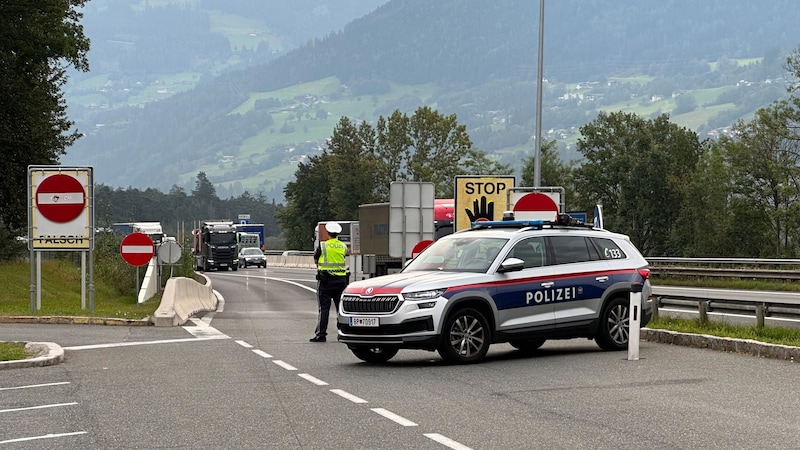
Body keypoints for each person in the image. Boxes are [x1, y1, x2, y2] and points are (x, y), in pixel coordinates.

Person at [310, 221, 350, 342]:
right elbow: (343, 257)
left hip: (326, 281)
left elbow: (316, 259)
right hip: (341, 281)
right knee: (340, 309)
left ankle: (321, 334)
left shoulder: (323, 246)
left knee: (324, 309)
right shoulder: (343, 246)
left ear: (327, 233)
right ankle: (341, 332)